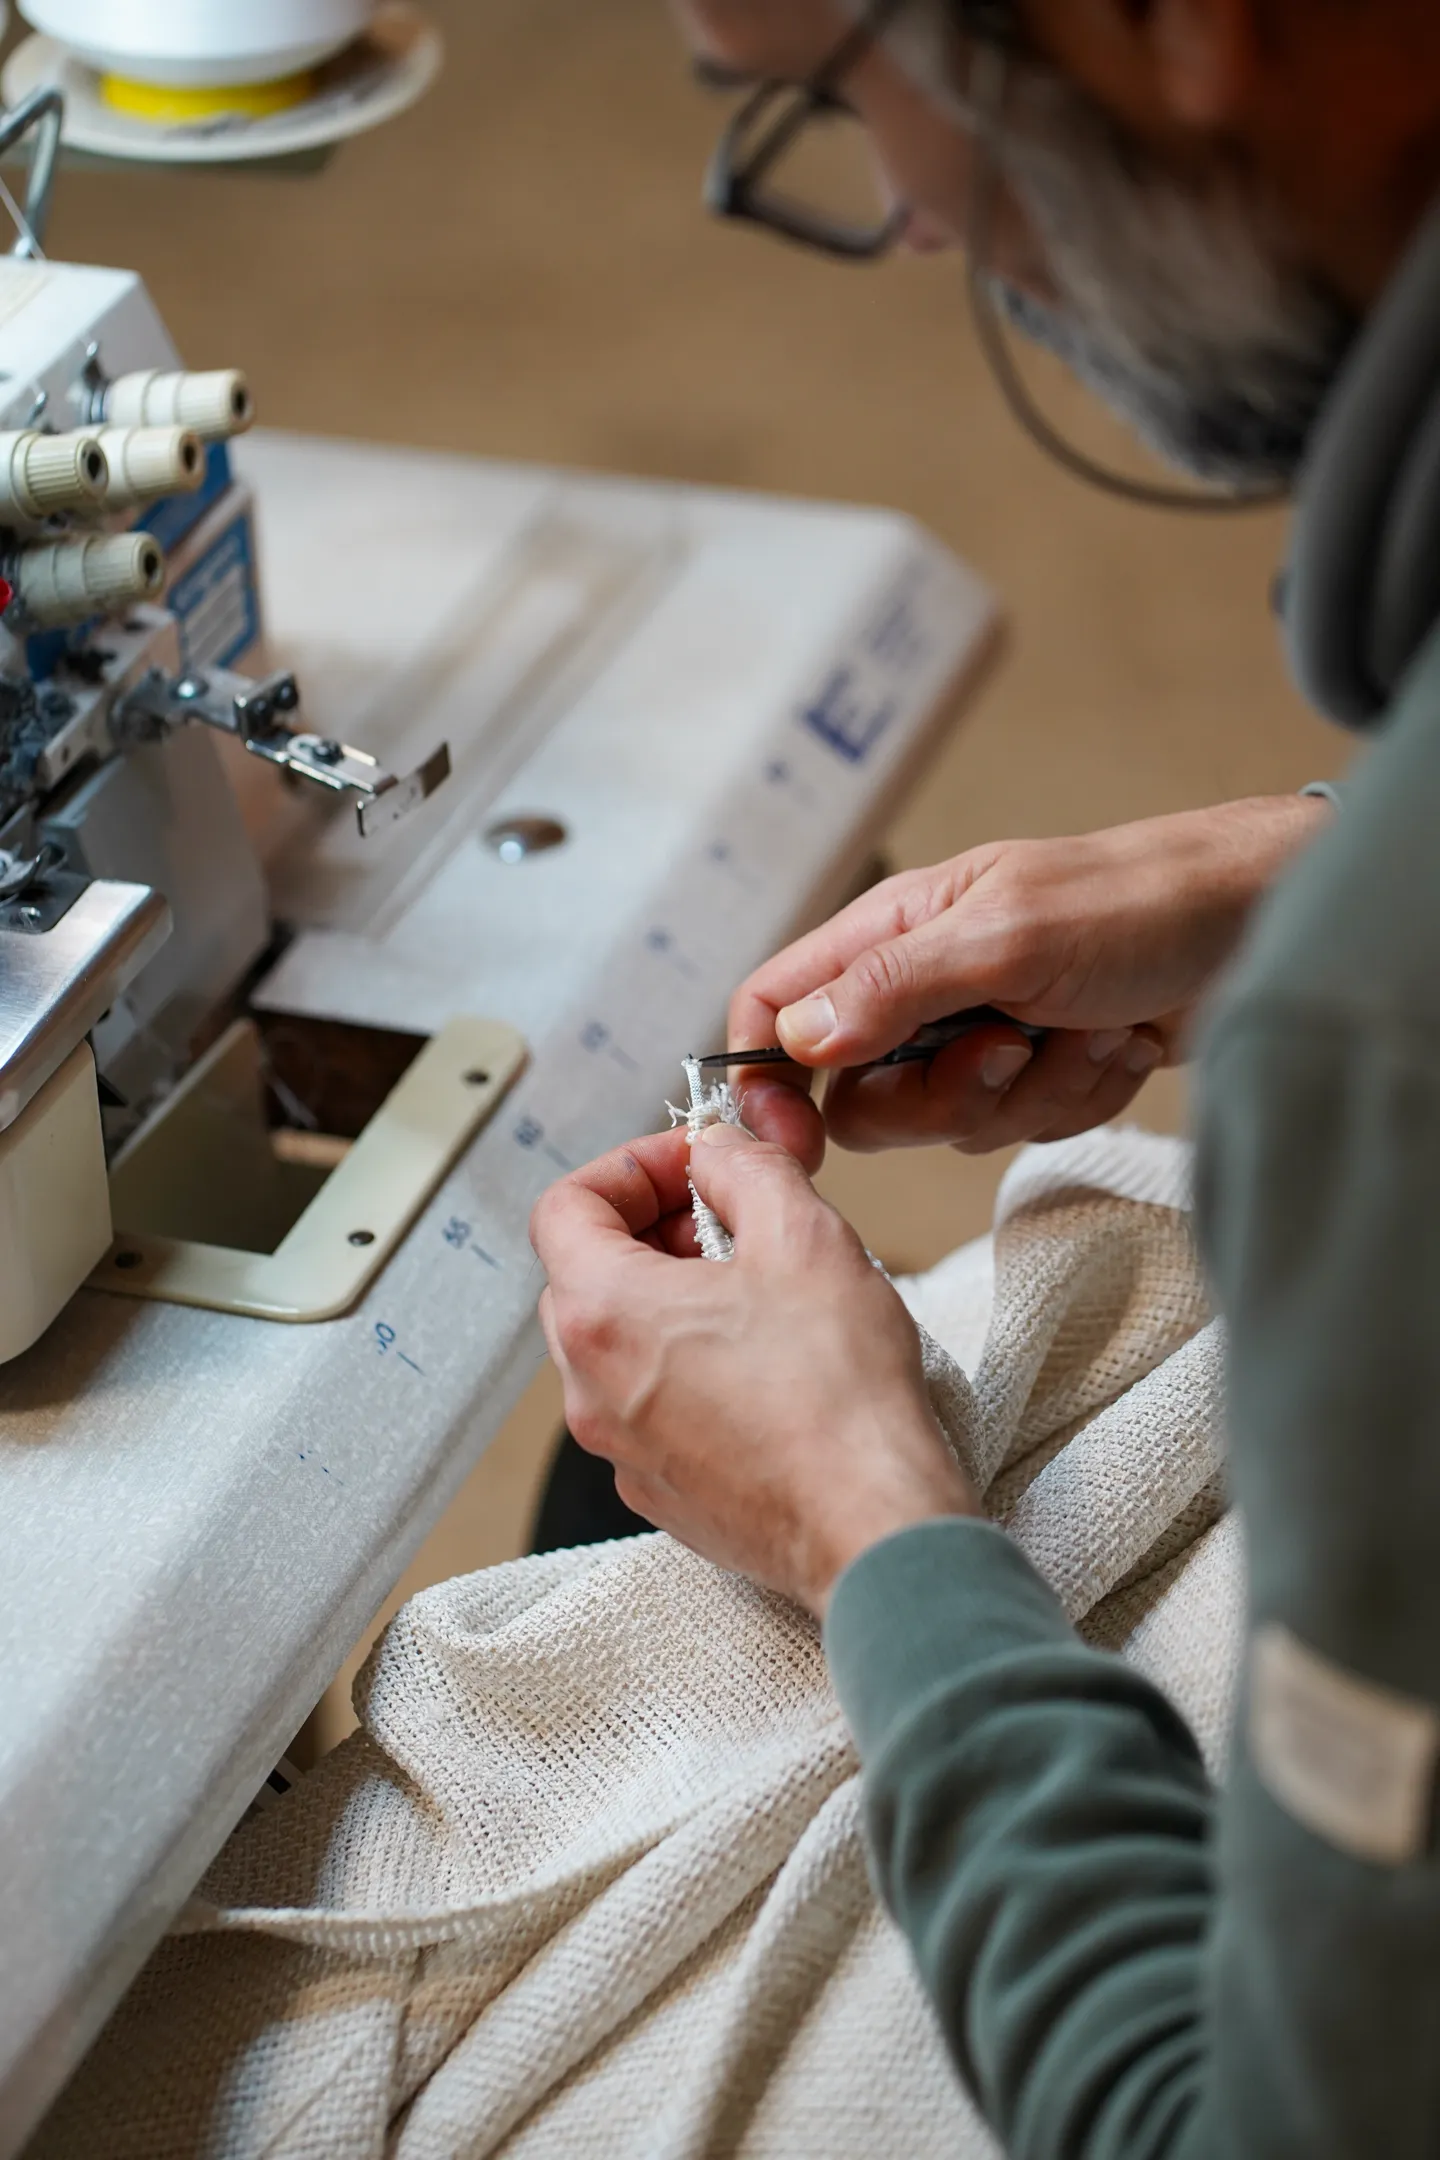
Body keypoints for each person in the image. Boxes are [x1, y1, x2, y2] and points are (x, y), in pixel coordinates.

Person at [531, 2, 1440, 2151]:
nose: (915, 216)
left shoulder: (1368, 1053)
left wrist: (868, 1529)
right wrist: (1299, 859)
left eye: (839, 92)